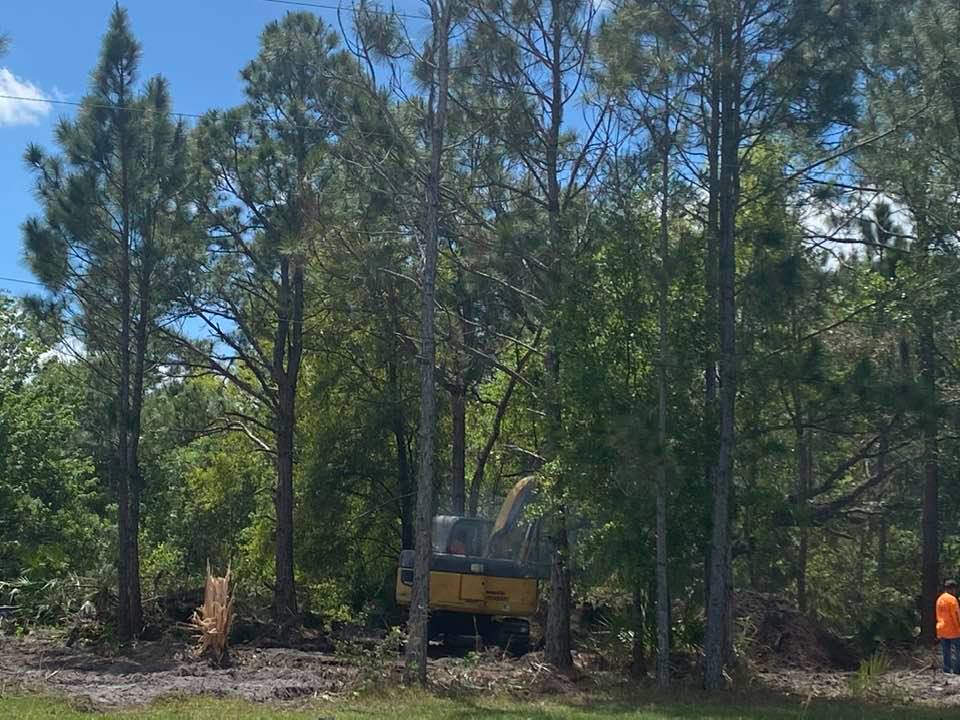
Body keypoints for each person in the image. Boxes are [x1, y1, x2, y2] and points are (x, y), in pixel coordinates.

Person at [936, 579, 960, 674]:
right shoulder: (952, 599)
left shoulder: (939, 599)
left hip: (942, 629)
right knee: (957, 651)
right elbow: (956, 615)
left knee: (946, 651)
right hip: (953, 630)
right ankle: (957, 670)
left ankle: (946, 669)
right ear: (952, 588)